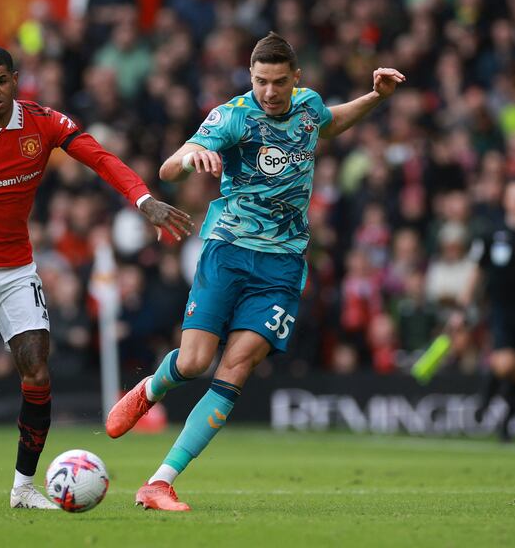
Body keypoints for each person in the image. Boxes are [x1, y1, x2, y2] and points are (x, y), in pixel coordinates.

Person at [105, 32, 405, 511]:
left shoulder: (307, 106)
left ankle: (159, 481)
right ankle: (150, 388)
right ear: (250, 77)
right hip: (228, 251)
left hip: (283, 266)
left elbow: (328, 125)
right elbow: (166, 169)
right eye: (261, 81)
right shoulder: (233, 116)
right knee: (194, 361)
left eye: (279, 82)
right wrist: (190, 158)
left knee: (236, 367)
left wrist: (375, 98)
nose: (270, 92)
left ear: (296, 78)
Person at [0, 46, 192, 509]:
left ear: (15, 79)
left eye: (2, 81)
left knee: (36, 371)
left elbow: (100, 158)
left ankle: (23, 488)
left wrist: (142, 199)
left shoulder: (43, 123)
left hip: (16, 268)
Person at [460, 180, 515, 441]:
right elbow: (476, 270)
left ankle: (507, 425)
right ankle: (485, 398)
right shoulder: (492, 233)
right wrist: (465, 302)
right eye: (514, 198)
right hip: (501, 307)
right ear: (507, 201)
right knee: (504, 362)